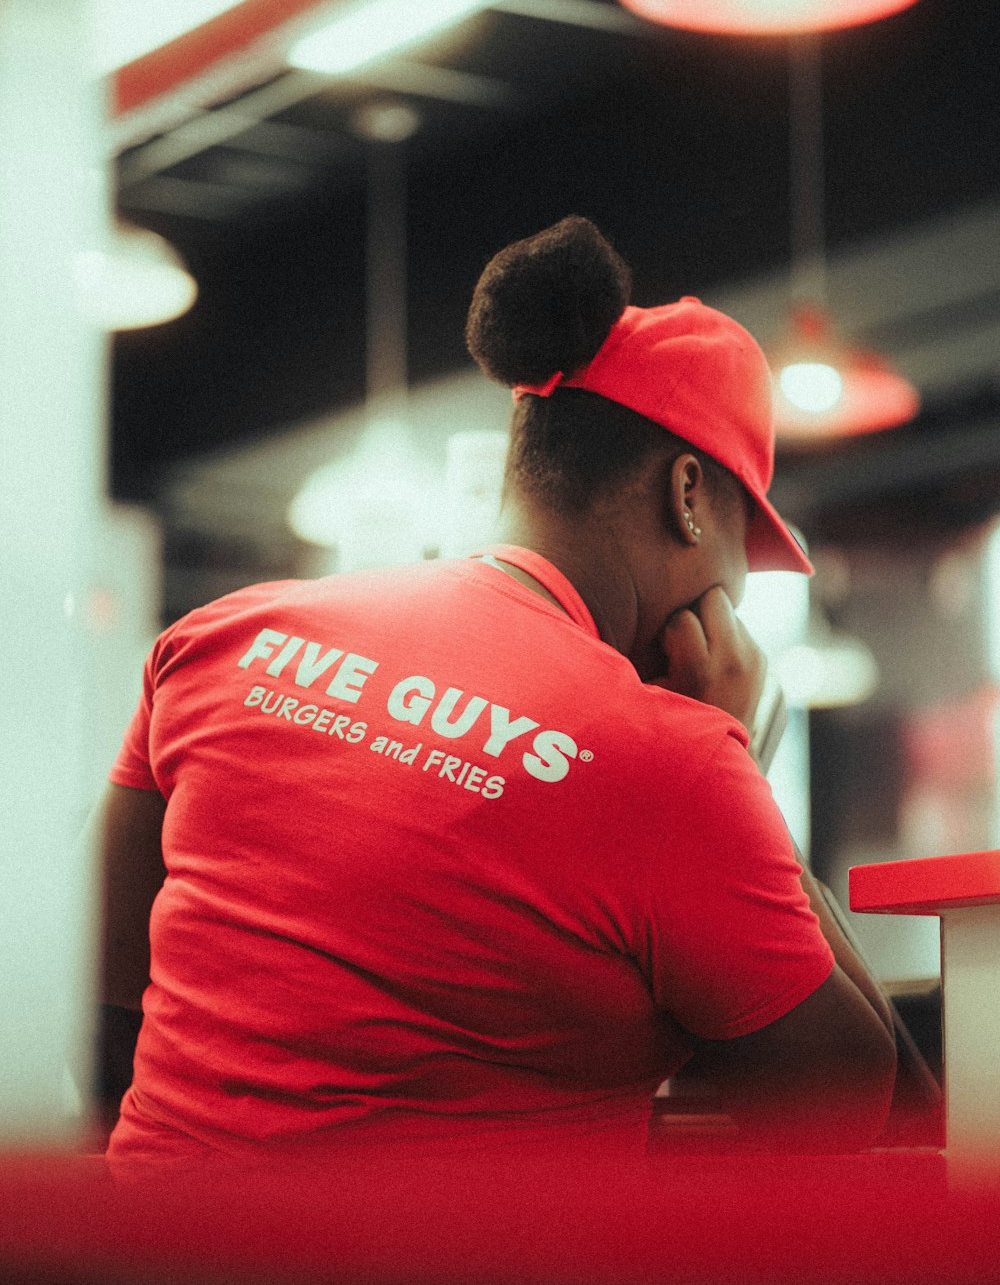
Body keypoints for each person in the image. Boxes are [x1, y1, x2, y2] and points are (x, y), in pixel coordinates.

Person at [94, 216, 895, 1172]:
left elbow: (104, 991)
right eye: (744, 545)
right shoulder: (666, 759)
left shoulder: (224, 634)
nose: (737, 589)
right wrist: (735, 775)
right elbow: (848, 1108)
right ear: (687, 494)